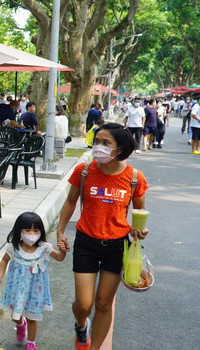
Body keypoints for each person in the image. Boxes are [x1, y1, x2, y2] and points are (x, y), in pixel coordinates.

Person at [56, 122, 149, 350]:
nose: (99, 147)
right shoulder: (84, 171)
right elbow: (70, 202)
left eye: (106, 143)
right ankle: (81, 325)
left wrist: (139, 231)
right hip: (85, 242)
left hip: (117, 245)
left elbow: (138, 213)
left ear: (120, 149)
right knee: (85, 304)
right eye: (97, 142)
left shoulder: (135, 177)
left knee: (104, 304)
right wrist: (60, 230)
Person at [0, 212, 66, 350]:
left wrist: (63, 251)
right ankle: (21, 324)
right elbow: (4, 261)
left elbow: (59, 258)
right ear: (19, 230)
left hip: (35, 291)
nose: (32, 234)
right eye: (27, 230)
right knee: (16, 315)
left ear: (40, 232)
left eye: (36, 230)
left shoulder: (44, 248)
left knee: (33, 317)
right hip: (17, 289)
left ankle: (31, 342)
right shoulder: (13, 248)